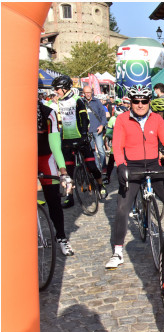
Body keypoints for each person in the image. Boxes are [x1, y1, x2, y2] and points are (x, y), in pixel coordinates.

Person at [105, 84, 164, 269]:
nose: (140, 104)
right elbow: (117, 145)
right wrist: (121, 165)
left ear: (149, 102)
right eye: (136, 101)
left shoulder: (156, 119)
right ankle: (117, 251)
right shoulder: (122, 119)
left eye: (144, 101)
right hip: (132, 166)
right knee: (122, 208)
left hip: (154, 165)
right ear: (130, 102)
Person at [51, 75, 106, 207]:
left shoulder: (77, 100)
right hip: (66, 140)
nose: (56, 91)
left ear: (64, 88)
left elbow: (84, 118)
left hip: (80, 138)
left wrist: (83, 135)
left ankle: (100, 185)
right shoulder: (56, 102)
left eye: (57, 89)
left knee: (92, 166)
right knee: (68, 171)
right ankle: (70, 196)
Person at [37, 98, 74, 256]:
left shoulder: (48, 113)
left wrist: (63, 172)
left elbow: (55, 145)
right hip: (22, 157)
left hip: (45, 157)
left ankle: (61, 237)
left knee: (53, 200)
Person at [82, 86, 108, 173]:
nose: (88, 94)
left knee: (100, 149)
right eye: (86, 93)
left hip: (97, 129)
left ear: (92, 92)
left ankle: (103, 166)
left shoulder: (97, 102)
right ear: (83, 93)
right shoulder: (82, 102)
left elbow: (103, 115)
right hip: (87, 131)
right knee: (92, 151)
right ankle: (96, 168)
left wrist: (101, 126)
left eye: (89, 92)